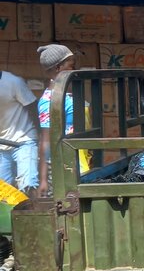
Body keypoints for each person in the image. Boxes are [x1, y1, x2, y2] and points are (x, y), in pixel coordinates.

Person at [38, 44, 91, 194]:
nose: (75, 70)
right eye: (71, 66)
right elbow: (46, 139)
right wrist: (43, 179)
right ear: (57, 69)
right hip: (64, 166)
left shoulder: (69, 95)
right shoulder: (49, 101)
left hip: (78, 161)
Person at [0, 67, 39, 195]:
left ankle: (32, 214)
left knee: (28, 185)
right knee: (4, 194)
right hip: (2, 145)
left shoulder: (13, 82)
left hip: (24, 140)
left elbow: (33, 107)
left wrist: (40, 135)